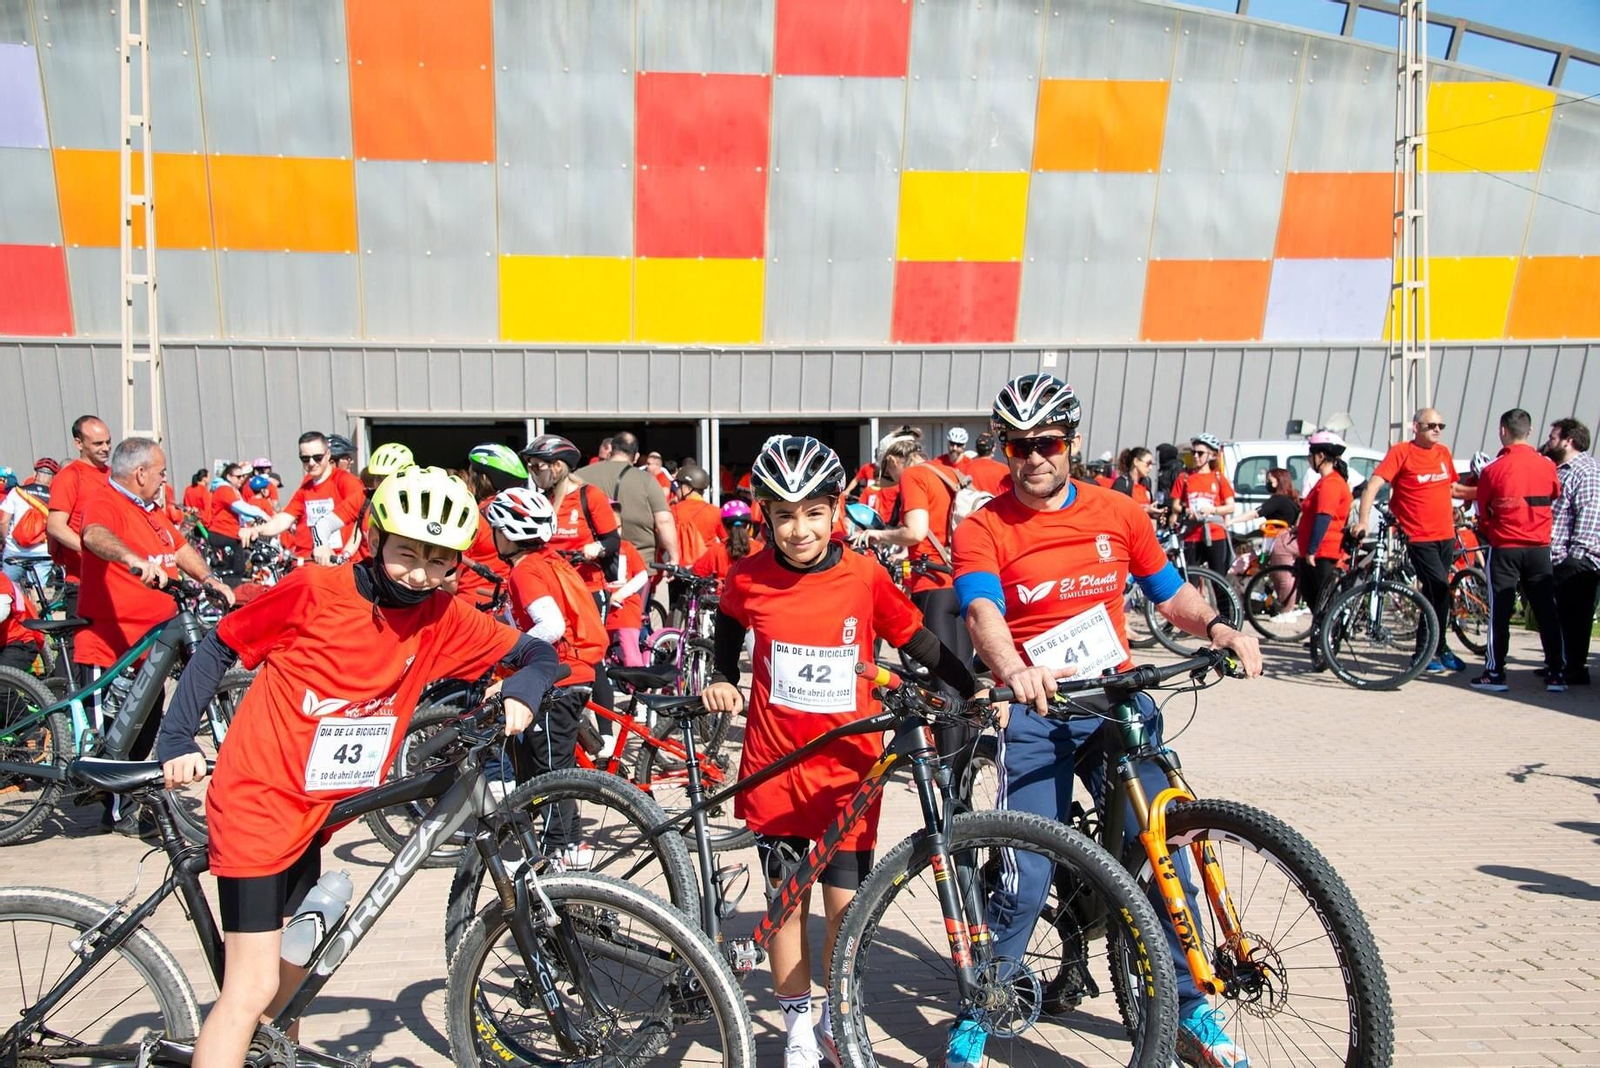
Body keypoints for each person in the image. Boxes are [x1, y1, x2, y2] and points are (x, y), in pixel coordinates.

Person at [156, 466, 559, 1066]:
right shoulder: (318, 590)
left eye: (439, 561)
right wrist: (175, 738)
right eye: (406, 554)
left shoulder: (441, 616)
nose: (420, 574)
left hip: (319, 811)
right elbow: (222, 643)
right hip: (261, 801)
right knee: (251, 988)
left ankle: (274, 1056)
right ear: (374, 540)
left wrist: (523, 692)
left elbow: (536, 651)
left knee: (288, 988)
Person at [951, 372, 1262, 1068]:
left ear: (1075, 441)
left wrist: (1219, 629)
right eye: (1018, 444)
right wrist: (1012, 671)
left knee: (1168, 847)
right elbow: (980, 610)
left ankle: (1189, 1010)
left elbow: (1169, 591)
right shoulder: (984, 526)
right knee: (1026, 872)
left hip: (1118, 702)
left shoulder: (1117, 511)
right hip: (1041, 709)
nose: (1033, 457)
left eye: (1048, 442)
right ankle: (983, 1006)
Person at [699, 435, 977, 1068]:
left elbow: (917, 640)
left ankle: (832, 1016)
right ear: (765, 516)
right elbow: (727, 624)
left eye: (814, 512)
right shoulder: (747, 577)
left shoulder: (864, 574)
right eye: (784, 515)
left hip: (849, 770)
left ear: (837, 508)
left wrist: (969, 686)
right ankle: (798, 1026)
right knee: (785, 899)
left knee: (845, 911)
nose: (800, 529)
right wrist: (720, 675)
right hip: (775, 765)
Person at [79, 438, 234, 834]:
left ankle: (129, 801)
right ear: (140, 473)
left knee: (144, 723)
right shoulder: (107, 501)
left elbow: (179, 547)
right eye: (161, 472)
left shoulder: (151, 511)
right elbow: (94, 535)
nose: (166, 479)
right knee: (116, 729)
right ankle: (116, 810)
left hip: (152, 641)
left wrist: (209, 578)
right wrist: (133, 560)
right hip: (113, 642)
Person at [856, 425, 976, 774]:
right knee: (962, 675)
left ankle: (947, 768)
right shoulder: (951, 473)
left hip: (931, 585)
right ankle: (968, 761)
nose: (890, 477)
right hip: (960, 578)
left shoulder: (913, 476)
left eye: (887, 470)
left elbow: (916, 532)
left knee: (942, 680)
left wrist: (876, 533)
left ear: (895, 458)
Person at [482, 486, 609, 811]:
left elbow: (551, 626)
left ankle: (563, 848)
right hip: (574, 668)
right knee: (538, 769)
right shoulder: (549, 561)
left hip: (561, 674)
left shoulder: (526, 570)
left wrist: (513, 649)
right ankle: (541, 839)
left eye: (496, 530)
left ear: (508, 534)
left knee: (551, 772)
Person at [1353, 408, 1475, 674]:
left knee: (1435, 595)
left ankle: (1434, 649)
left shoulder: (1442, 452)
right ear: (1416, 427)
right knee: (1439, 590)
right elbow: (1372, 486)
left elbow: (1453, 488)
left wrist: (1488, 491)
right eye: (1431, 425)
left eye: (1440, 425)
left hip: (1446, 534)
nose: (1437, 429)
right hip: (1419, 536)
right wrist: (1363, 521)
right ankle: (1430, 650)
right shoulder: (1401, 452)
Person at [1471, 409, 1566, 692]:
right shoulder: (1547, 465)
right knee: (1546, 609)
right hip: (1539, 547)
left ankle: (1495, 673)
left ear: (1503, 431)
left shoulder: (1492, 470)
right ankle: (1557, 674)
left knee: (1500, 611)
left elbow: (1483, 508)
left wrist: (1492, 528)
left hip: (1505, 547)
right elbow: (1553, 493)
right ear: (1530, 430)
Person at [523, 434, 622, 603]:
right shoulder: (542, 501)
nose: (533, 472)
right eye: (530, 467)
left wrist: (597, 547)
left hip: (586, 586)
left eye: (537, 467)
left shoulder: (589, 495)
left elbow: (613, 540)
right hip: (551, 587)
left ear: (557, 467)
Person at [45, 415, 113, 651]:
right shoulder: (70, 476)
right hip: (83, 581)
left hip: (115, 580)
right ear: (79, 443)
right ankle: (52, 689)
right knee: (80, 656)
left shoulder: (113, 476)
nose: (105, 448)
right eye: (98, 443)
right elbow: (55, 525)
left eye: (107, 442)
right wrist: (92, 549)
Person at [244, 433, 366, 564]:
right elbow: (284, 519)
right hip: (308, 562)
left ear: (328, 455)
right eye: (305, 459)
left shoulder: (347, 482)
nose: (311, 463)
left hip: (338, 563)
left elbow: (363, 519)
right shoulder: (305, 488)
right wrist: (256, 530)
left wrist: (347, 553)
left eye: (317, 457)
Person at [578, 430, 679, 567]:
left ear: (611, 450)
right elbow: (664, 521)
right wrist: (673, 559)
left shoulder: (580, 476)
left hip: (590, 561)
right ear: (636, 456)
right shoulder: (647, 480)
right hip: (639, 564)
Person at [1547, 418, 1598, 685]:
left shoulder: (1585, 470)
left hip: (1577, 560)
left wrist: (1575, 555)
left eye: (1554, 436)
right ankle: (1560, 664)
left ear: (1569, 440)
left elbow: (1590, 512)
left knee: (1575, 618)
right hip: (1557, 556)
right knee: (1561, 617)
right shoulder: (1561, 468)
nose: (1549, 440)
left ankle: (1573, 668)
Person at [1296, 432, 1353, 671]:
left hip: (1324, 551)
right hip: (1317, 551)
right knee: (1317, 602)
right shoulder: (1324, 481)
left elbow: (1323, 517)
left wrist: (1311, 549)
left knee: (1323, 602)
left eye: (1311, 455)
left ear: (1321, 456)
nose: (1309, 459)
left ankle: (1330, 642)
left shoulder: (1331, 483)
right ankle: (1326, 640)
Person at [454, 444, 527, 610]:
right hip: (512, 604)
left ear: (484, 479)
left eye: (472, 473)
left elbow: (450, 579)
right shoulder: (525, 516)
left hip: (474, 607)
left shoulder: (473, 517)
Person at [1169, 433, 1236, 574]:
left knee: (1219, 580)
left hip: (1215, 533)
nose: (1195, 456)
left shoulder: (1218, 478)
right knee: (1189, 579)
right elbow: (1175, 505)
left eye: (1200, 453)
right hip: (1191, 534)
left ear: (1211, 455)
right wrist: (1186, 510)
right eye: (1193, 452)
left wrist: (1213, 510)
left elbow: (1230, 506)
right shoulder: (1184, 477)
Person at [208, 464, 269, 577]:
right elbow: (239, 507)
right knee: (232, 572)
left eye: (243, 476)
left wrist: (252, 519)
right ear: (229, 476)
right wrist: (262, 514)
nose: (242, 479)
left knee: (239, 569)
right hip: (223, 533)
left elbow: (241, 514)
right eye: (238, 476)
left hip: (231, 533)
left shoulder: (231, 490)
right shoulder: (224, 489)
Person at [692, 499, 761, 582]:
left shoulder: (716, 550)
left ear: (725, 527)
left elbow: (697, 572)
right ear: (748, 526)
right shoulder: (760, 549)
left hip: (723, 594)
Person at [670, 464, 722, 568]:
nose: (676, 491)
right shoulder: (717, 512)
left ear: (687, 488)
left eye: (679, 486)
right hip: (707, 569)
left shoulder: (673, 510)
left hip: (680, 570)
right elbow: (726, 542)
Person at [1111, 447, 1160, 513]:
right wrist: (1145, 510)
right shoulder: (1122, 483)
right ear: (1136, 462)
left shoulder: (1147, 481)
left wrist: (1156, 514)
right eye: (1148, 463)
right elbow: (1116, 508)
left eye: (1151, 464)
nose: (1150, 468)